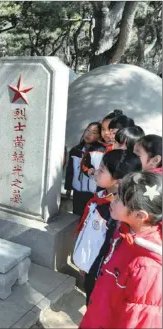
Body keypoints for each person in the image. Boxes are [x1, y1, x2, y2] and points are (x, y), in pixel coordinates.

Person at [79, 171, 162, 329]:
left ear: (139, 215)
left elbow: (140, 320)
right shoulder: (127, 233)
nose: (112, 199)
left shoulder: (148, 266)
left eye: (118, 199)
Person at [73, 150, 142, 304]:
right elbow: (91, 236)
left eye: (102, 170)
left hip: (102, 273)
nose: (96, 172)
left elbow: (110, 248)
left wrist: (95, 269)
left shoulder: (116, 213)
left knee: (95, 303)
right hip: (91, 267)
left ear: (118, 181)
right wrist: (85, 263)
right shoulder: (102, 196)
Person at [64, 122, 102, 215]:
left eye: (93, 132)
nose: (89, 134)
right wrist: (68, 188)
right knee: (77, 215)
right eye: (88, 130)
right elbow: (70, 170)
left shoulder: (100, 152)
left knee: (90, 216)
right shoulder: (76, 150)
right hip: (78, 191)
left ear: (99, 137)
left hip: (93, 192)